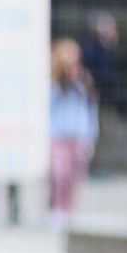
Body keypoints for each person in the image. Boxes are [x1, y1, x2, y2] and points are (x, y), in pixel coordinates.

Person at [48, 38, 99, 227]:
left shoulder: (84, 81)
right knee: (58, 173)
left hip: (78, 136)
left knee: (73, 177)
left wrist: (90, 135)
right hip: (57, 136)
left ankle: (67, 211)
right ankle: (55, 208)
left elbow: (89, 109)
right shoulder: (54, 83)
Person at [78, 12, 119, 103]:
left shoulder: (108, 48)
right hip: (90, 92)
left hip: (105, 93)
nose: (114, 31)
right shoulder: (89, 48)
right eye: (110, 28)